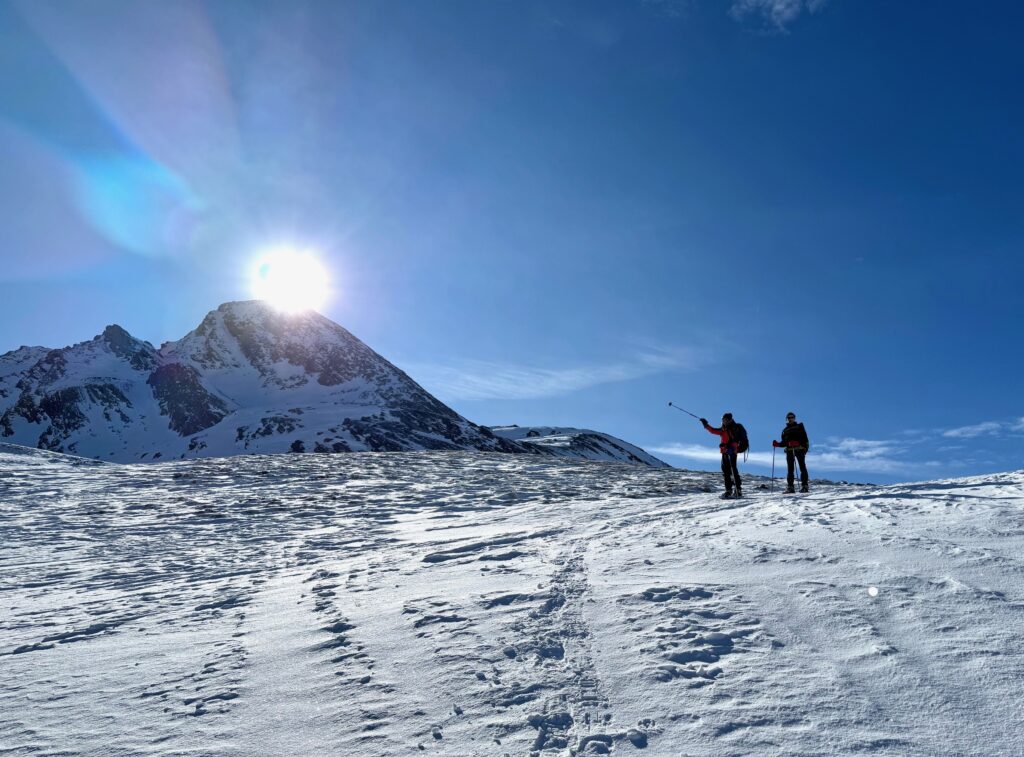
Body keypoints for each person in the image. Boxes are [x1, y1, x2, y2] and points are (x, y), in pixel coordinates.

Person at [700, 413, 743, 499]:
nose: (724, 421)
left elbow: (736, 441)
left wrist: (731, 448)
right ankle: (729, 490)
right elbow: (713, 430)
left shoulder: (734, 428)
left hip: (731, 452)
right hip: (725, 452)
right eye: (723, 420)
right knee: (726, 471)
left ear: (730, 420)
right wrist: (705, 424)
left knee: (733, 469)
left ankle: (738, 490)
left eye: (726, 420)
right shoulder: (723, 430)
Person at [773, 412, 810, 493]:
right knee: (790, 469)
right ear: (787, 419)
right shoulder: (785, 430)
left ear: (794, 418)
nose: (790, 419)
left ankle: (805, 486)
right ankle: (790, 487)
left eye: (792, 417)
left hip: (799, 449)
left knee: (802, 467)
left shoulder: (799, 427)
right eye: (789, 417)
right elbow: (784, 442)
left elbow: (805, 439)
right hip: (789, 450)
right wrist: (778, 444)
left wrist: (804, 448)